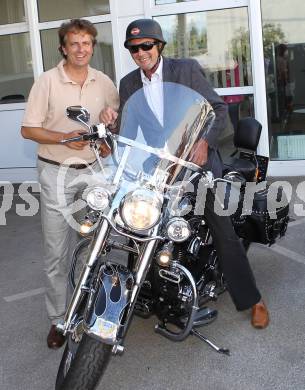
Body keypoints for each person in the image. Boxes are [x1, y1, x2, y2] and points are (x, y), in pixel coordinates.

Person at [101, 18, 269, 329]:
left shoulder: (185, 70)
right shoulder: (128, 84)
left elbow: (217, 109)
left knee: (222, 230)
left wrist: (204, 141)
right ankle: (141, 291)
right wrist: (111, 132)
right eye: (134, 48)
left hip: (197, 164)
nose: (140, 52)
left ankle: (253, 300)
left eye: (146, 46)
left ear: (159, 46)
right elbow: (128, 131)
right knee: (138, 224)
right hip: (160, 169)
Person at [21, 19, 119, 349]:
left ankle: (90, 308)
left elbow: (111, 121)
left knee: (96, 244)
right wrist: (64, 137)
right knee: (56, 251)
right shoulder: (47, 82)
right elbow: (28, 129)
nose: (81, 49)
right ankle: (58, 319)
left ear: (93, 47)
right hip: (55, 173)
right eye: (74, 43)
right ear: (63, 48)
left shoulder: (103, 82)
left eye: (86, 43)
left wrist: (108, 129)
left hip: (94, 171)